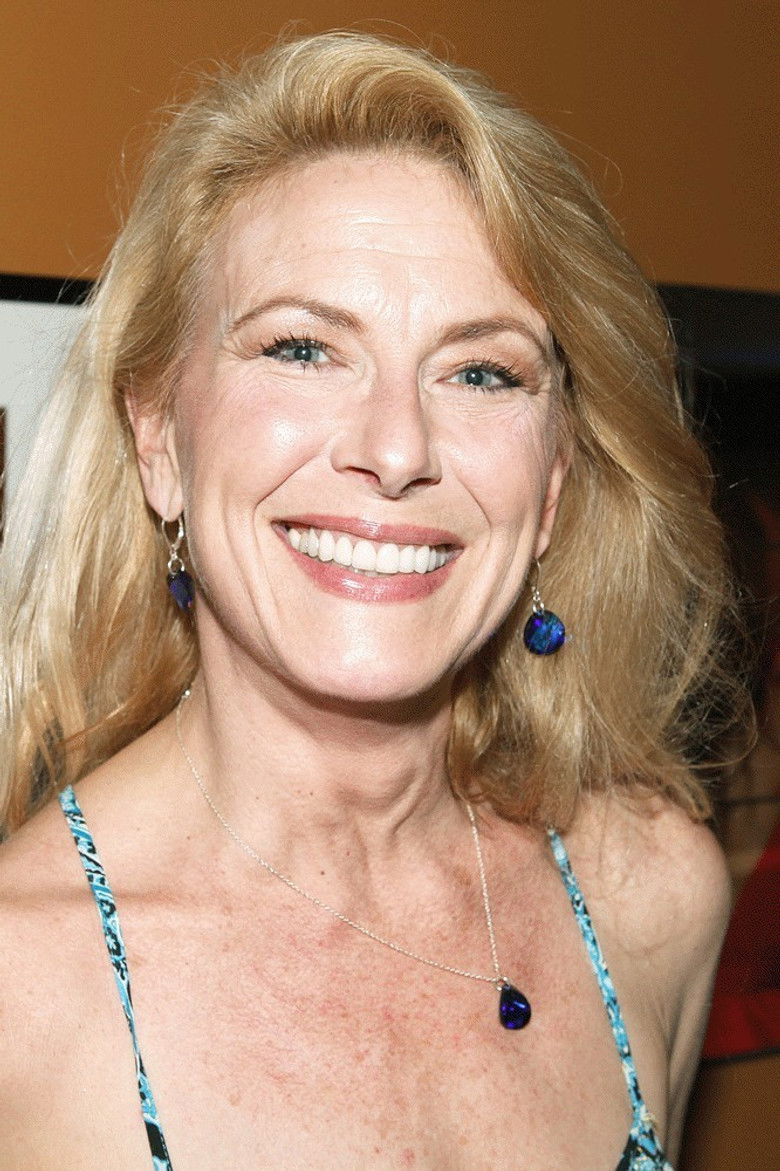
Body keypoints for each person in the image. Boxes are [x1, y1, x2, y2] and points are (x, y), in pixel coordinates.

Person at [0, 31, 750, 1170]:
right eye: (302, 349)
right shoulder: (21, 991)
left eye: (481, 371)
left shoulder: (650, 897)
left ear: (552, 481)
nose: (398, 450)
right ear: (157, 436)